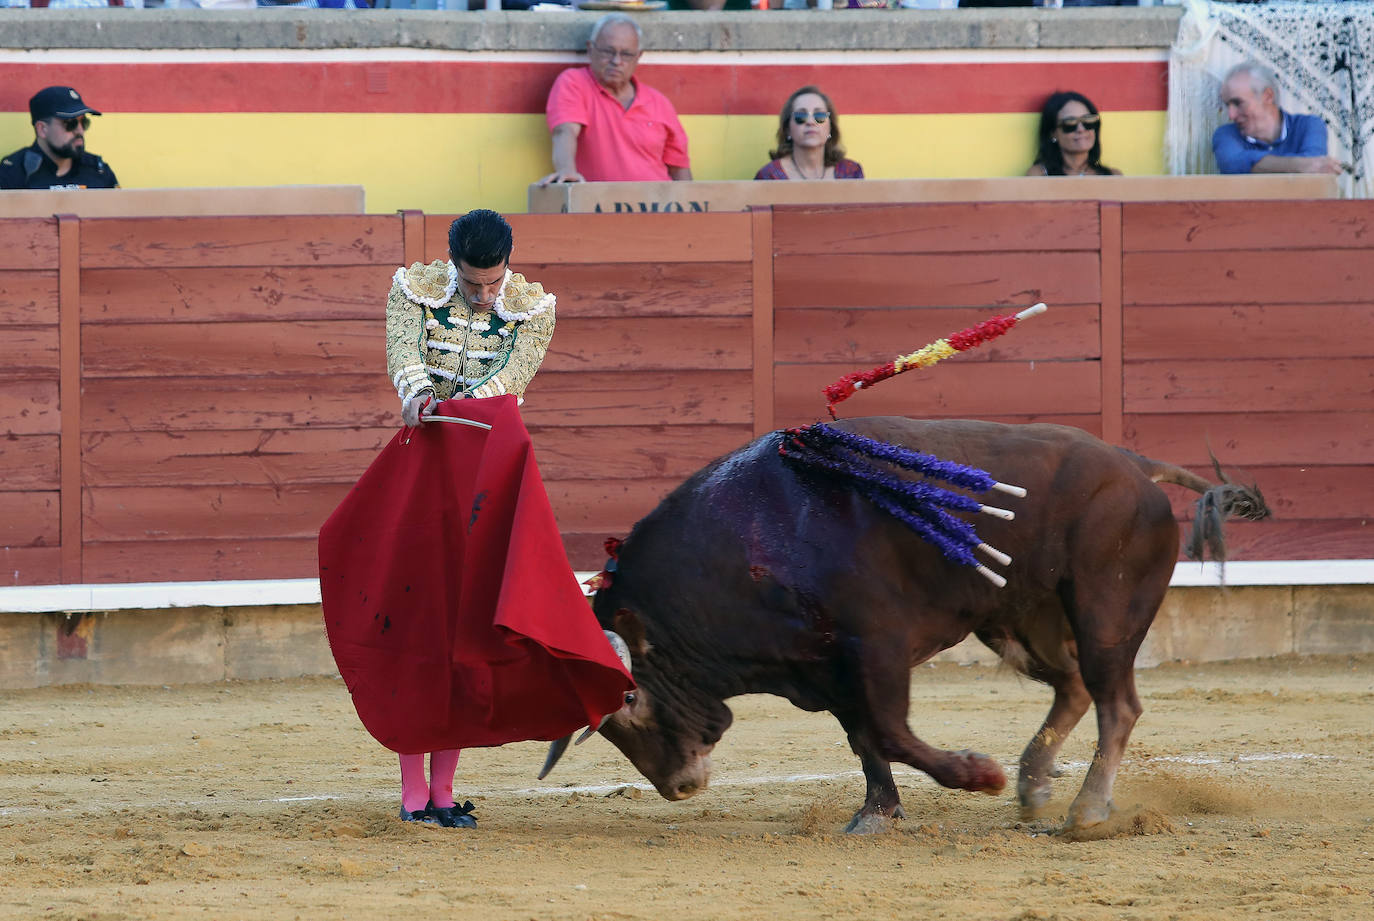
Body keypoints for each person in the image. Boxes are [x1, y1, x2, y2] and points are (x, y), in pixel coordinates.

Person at [380, 209, 555, 826]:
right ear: (452, 265)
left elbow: (510, 382)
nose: (485, 295)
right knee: (417, 625)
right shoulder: (414, 291)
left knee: (465, 629)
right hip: (424, 470)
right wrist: (416, 395)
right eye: (473, 283)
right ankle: (412, 794)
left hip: (484, 476)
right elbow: (404, 355)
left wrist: (446, 406)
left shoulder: (534, 308)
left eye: (493, 282)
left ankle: (445, 791)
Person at [538, 13, 692, 185]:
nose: (616, 61)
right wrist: (566, 171)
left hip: (656, 206)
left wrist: (688, 208)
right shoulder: (574, 83)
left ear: (638, 56)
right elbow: (565, 131)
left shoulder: (659, 102)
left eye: (626, 54)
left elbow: (680, 169)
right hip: (600, 205)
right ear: (590, 49)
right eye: (608, 51)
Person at [1212, 62, 1343, 176]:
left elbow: (1315, 168)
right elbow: (1233, 164)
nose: (1231, 115)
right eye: (1227, 105)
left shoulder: (1308, 125)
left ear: (1268, 96)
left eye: (1238, 103)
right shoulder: (1226, 134)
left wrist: (1256, 165)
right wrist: (1301, 165)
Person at [0, 86, 119, 191]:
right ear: (42, 129)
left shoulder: (98, 170)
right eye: (70, 124)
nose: (80, 130)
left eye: (84, 122)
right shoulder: (14, 173)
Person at [754, 86, 864, 181]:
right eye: (800, 116)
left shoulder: (850, 173)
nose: (810, 122)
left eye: (819, 116)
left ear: (830, 128)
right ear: (788, 129)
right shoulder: (770, 176)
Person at [1026, 91, 1121, 177]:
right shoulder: (1039, 175)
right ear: (1053, 133)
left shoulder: (1113, 176)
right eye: (1070, 123)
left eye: (1088, 121)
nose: (1081, 129)